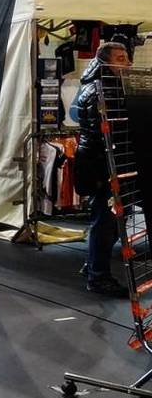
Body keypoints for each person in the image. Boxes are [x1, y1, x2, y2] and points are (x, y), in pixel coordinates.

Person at [74, 41, 133, 296]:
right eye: (120, 58)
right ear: (105, 61)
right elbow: (109, 133)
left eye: (126, 57)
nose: (127, 63)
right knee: (106, 220)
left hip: (110, 163)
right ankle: (98, 276)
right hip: (104, 166)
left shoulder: (104, 86)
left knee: (115, 218)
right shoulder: (102, 90)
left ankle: (93, 267)